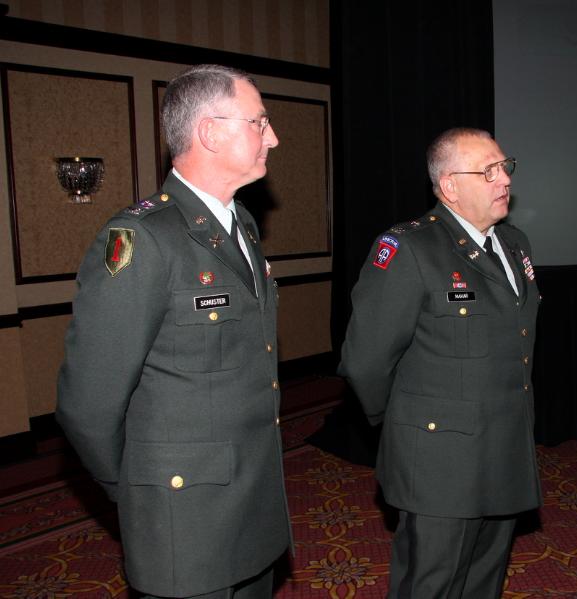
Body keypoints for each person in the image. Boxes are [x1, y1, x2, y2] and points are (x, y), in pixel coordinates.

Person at [56, 64, 289, 599]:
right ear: (210, 132)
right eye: (259, 122)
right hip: (183, 516)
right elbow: (88, 404)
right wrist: (141, 489)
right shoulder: (142, 239)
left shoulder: (242, 225)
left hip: (251, 498)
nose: (272, 137)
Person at [339, 127, 541, 598]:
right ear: (449, 186)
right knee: (429, 587)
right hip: (439, 464)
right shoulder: (410, 248)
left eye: (505, 167)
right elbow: (365, 360)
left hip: (504, 450)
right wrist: (404, 427)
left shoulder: (515, 243)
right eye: (488, 171)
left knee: (483, 583)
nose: (504, 179)